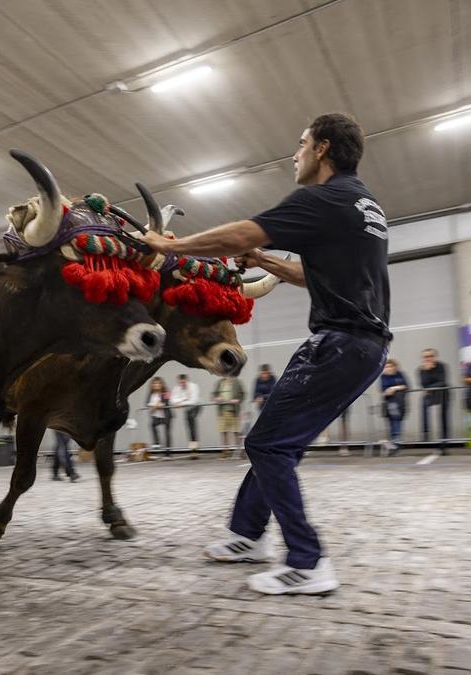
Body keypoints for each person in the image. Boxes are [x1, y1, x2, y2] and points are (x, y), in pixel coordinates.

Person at [143, 112, 390, 595]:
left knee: (267, 445)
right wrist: (263, 262)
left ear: (321, 149)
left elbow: (240, 234)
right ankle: (246, 535)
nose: (294, 154)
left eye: (300, 144)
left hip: (340, 344)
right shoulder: (365, 205)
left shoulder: (323, 198)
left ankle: (307, 561)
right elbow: (311, 276)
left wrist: (166, 248)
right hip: (361, 346)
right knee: (275, 442)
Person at [418, 348, 450, 453]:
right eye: (426, 357)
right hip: (430, 396)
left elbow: (443, 382)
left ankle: (443, 445)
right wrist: (427, 371)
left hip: (442, 395)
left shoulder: (441, 366)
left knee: (443, 419)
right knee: (423, 406)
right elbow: (423, 384)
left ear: (435, 357)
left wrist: (429, 388)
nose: (428, 359)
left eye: (430, 356)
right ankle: (426, 433)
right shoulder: (421, 369)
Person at [379, 359, 408, 454]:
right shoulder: (383, 377)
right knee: (392, 424)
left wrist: (393, 388)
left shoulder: (400, 374)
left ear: (395, 367)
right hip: (389, 403)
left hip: (400, 402)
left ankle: (396, 445)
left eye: (391, 366)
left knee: (397, 423)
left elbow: (406, 386)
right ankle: (394, 445)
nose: (389, 368)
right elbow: (384, 391)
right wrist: (393, 389)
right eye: (387, 367)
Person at [213, 375, 245, 459]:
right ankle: (225, 452)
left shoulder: (237, 382)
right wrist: (216, 398)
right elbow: (214, 394)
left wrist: (238, 400)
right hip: (222, 411)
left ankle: (240, 451)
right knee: (223, 432)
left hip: (234, 411)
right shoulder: (219, 382)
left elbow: (243, 394)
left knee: (236, 432)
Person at [169, 374, 201, 455]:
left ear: (187, 381)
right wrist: (184, 399)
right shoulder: (177, 388)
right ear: (178, 382)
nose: (182, 384)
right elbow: (172, 401)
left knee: (191, 420)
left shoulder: (194, 386)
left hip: (197, 405)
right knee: (189, 425)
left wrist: (180, 403)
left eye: (184, 382)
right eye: (181, 383)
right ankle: (193, 448)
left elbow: (194, 401)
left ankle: (194, 446)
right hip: (187, 407)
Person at [145, 377, 173, 457]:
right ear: (152, 385)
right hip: (156, 416)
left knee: (167, 434)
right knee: (152, 425)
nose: (156, 385)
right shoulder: (150, 394)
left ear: (161, 384)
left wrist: (154, 405)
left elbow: (165, 404)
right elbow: (147, 404)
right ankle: (157, 443)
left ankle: (167, 454)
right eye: (154, 383)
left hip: (166, 415)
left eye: (158, 383)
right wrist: (156, 405)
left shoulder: (166, 392)